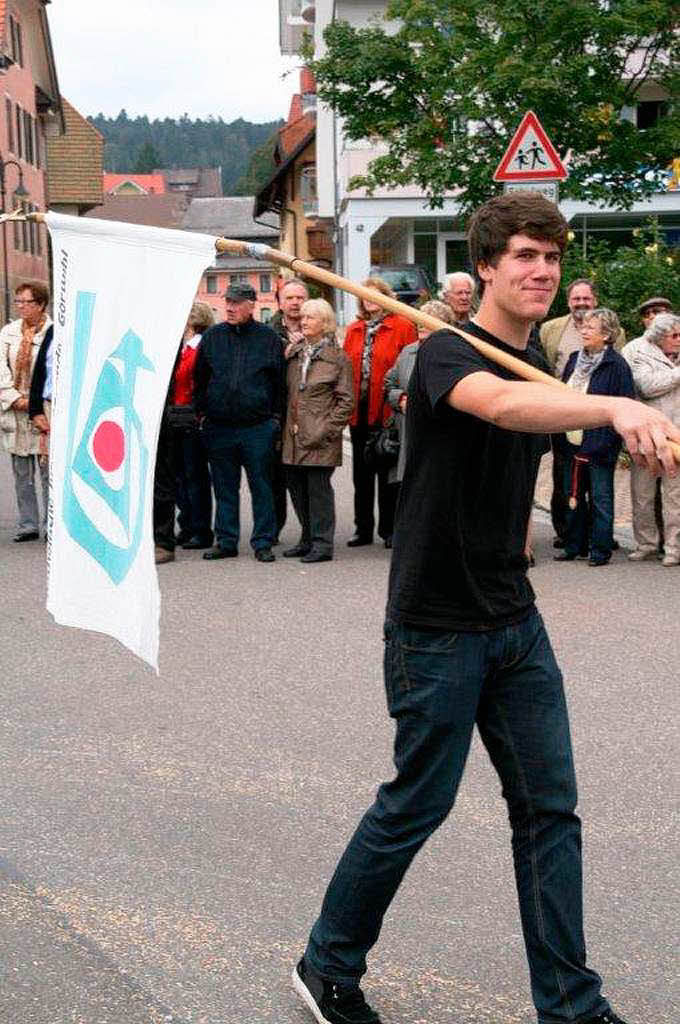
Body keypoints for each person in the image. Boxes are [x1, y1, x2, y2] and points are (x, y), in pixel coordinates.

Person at [292, 191, 678, 1024]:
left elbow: (567, 424)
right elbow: (502, 406)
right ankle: (326, 965)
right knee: (416, 804)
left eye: (552, 257)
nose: (542, 271)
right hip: (436, 626)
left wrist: (638, 424)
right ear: (488, 269)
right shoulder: (445, 355)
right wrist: (612, 405)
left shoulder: (550, 363)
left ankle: (571, 1005)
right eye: (525, 258)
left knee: (550, 812)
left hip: (515, 619)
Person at [194, 282, 285, 563]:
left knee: (262, 486)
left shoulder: (268, 338)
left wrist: (275, 420)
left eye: (236, 303)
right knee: (224, 486)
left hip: (258, 427)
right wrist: (203, 413)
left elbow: (280, 383)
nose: (230, 308)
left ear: (251, 305)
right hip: (219, 426)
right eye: (227, 302)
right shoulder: (212, 337)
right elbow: (201, 377)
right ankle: (226, 540)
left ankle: (263, 541)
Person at [553, 309, 635, 567]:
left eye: (591, 327)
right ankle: (573, 546)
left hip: (600, 444)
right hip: (571, 440)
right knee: (573, 495)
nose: (584, 331)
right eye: (584, 327)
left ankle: (600, 550)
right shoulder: (575, 358)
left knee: (601, 500)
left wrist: (610, 440)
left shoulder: (617, 365)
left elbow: (625, 404)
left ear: (608, 335)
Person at [343, 277, 417, 549]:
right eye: (364, 295)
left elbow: (407, 367)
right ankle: (362, 529)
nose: (369, 299)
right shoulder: (354, 330)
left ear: (387, 297)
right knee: (361, 475)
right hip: (359, 412)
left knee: (388, 473)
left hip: (388, 411)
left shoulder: (402, 327)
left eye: (375, 295)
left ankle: (390, 530)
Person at [281, 298, 354, 563]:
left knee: (318, 491)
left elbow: (346, 402)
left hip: (320, 436)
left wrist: (326, 431)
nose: (304, 321)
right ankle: (307, 538)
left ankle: (322, 544)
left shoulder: (338, 358)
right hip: (293, 434)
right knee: (297, 489)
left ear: (325, 323)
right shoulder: (296, 353)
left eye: (310, 317)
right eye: (303, 317)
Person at [622, 312, 680, 565]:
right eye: (674, 336)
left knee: (674, 496)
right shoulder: (635, 349)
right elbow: (645, 385)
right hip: (645, 433)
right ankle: (646, 543)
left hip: (676, 436)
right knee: (642, 494)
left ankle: (673, 548)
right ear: (658, 337)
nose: (679, 339)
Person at [0, 281, 53, 541]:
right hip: (16, 409)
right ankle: (28, 523)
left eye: (27, 302)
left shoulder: (53, 333)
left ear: (41, 304)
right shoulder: (8, 332)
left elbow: (53, 370)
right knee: (22, 472)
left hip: (42, 409)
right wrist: (12, 397)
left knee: (47, 470)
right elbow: (1, 369)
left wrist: (35, 401)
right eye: (18, 301)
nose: (21, 306)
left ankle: (51, 523)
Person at [384, 299, 454, 483]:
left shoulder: (452, 354)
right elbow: (389, 383)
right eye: (419, 319)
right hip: (408, 434)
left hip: (438, 437)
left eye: (427, 320)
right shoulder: (408, 351)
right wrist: (400, 400)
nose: (421, 324)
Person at [170, 301, 215, 551]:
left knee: (195, 476)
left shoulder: (200, 348)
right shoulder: (181, 348)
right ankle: (186, 523)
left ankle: (200, 528)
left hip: (192, 417)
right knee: (178, 476)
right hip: (175, 416)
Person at [270, 278, 310, 540]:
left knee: (305, 479)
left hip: (307, 416)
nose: (295, 303)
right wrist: (284, 354)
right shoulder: (267, 332)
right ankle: (272, 530)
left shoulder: (320, 332)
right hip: (276, 413)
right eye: (290, 298)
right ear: (280, 303)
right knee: (274, 478)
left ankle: (311, 532)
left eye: (300, 298)